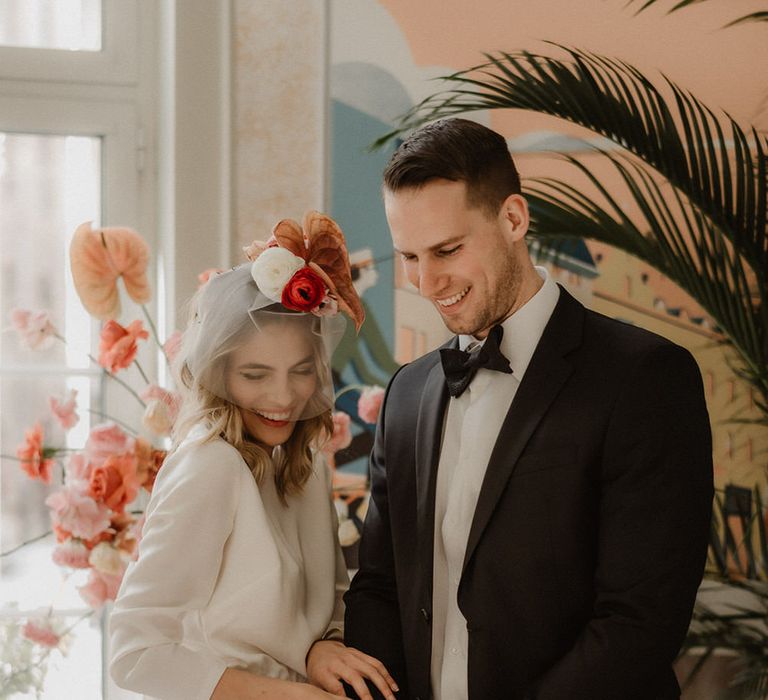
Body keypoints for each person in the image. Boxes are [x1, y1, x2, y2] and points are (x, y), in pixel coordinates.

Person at [343, 119, 714, 700]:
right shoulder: (407, 394)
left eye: (447, 249)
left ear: (513, 218)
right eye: (409, 256)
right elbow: (378, 589)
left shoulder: (644, 377)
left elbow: (640, 622)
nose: (427, 280)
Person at [109, 212, 399, 700]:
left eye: (301, 369)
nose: (283, 397)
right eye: (255, 374)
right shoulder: (210, 466)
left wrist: (320, 650)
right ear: (217, 375)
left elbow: (325, 606)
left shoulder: (300, 463)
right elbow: (134, 654)